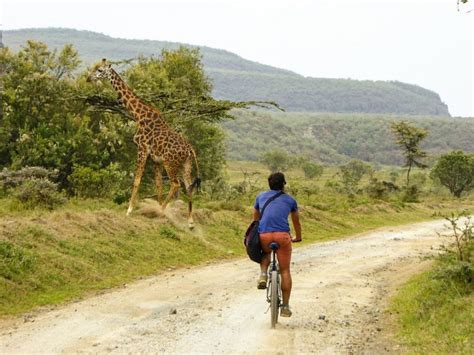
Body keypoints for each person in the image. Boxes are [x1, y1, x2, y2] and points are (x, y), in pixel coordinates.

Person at [253, 172, 302, 317]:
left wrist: (259, 230)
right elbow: (296, 222)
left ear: (269, 184)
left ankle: (263, 274)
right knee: (285, 270)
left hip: (265, 235)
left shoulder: (260, 197)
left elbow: (255, 219)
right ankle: (285, 306)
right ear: (283, 184)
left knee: (265, 252)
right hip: (283, 236)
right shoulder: (290, 200)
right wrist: (298, 237)